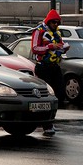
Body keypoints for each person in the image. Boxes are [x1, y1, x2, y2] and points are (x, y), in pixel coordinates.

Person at [31, 9, 70, 137]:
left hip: (55, 66)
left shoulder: (56, 33)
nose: (56, 25)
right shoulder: (39, 31)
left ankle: (49, 120)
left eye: (57, 23)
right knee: (46, 96)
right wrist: (49, 47)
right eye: (54, 22)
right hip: (43, 67)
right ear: (48, 21)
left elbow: (60, 46)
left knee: (59, 94)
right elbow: (35, 48)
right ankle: (46, 124)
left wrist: (63, 49)